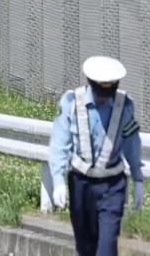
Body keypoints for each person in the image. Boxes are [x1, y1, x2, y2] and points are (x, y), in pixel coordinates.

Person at [48, 56, 144, 256]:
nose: (103, 97)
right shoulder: (71, 103)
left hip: (112, 186)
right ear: (91, 84)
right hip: (81, 184)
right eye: (100, 92)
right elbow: (59, 144)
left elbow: (132, 143)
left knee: (107, 248)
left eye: (108, 92)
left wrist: (138, 179)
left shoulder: (124, 105)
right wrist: (58, 181)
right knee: (85, 248)